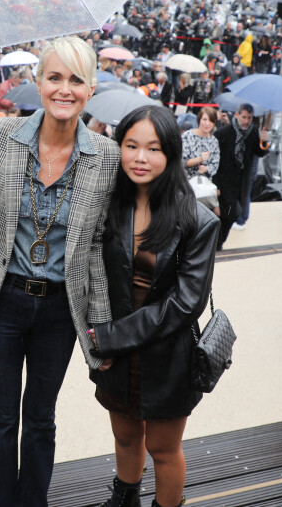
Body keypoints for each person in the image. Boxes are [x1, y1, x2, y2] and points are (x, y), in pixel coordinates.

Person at [0, 36, 120, 507]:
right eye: (54, 77)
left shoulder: (105, 157)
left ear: (90, 89)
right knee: (2, 416)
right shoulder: (0, 135)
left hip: (60, 310)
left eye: (75, 80)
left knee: (41, 418)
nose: (63, 89)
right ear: (38, 81)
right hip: (2, 299)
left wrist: (100, 326)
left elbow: (96, 252)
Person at [88, 105, 220, 507]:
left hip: (166, 355)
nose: (140, 158)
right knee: (125, 436)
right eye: (131, 145)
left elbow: (186, 303)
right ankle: (124, 498)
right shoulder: (108, 205)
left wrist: (109, 338)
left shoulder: (198, 219)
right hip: (116, 353)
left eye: (153, 148)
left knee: (163, 449)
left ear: (171, 154)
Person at [213, 103, 269, 250]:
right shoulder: (223, 133)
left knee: (231, 214)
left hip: (242, 180)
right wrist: (216, 184)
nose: (246, 121)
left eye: (249, 118)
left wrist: (265, 141)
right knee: (231, 213)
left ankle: (218, 241)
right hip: (224, 180)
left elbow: (259, 152)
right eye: (244, 117)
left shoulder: (253, 132)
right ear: (237, 115)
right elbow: (215, 160)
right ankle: (217, 241)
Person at [181, 106, 220, 180]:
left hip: (204, 184)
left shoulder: (214, 141)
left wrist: (206, 169)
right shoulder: (187, 136)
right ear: (199, 120)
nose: (207, 123)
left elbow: (215, 164)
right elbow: (182, 161)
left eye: (211, 121)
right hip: (186, 181)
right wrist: (200, 159)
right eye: (204, 119)